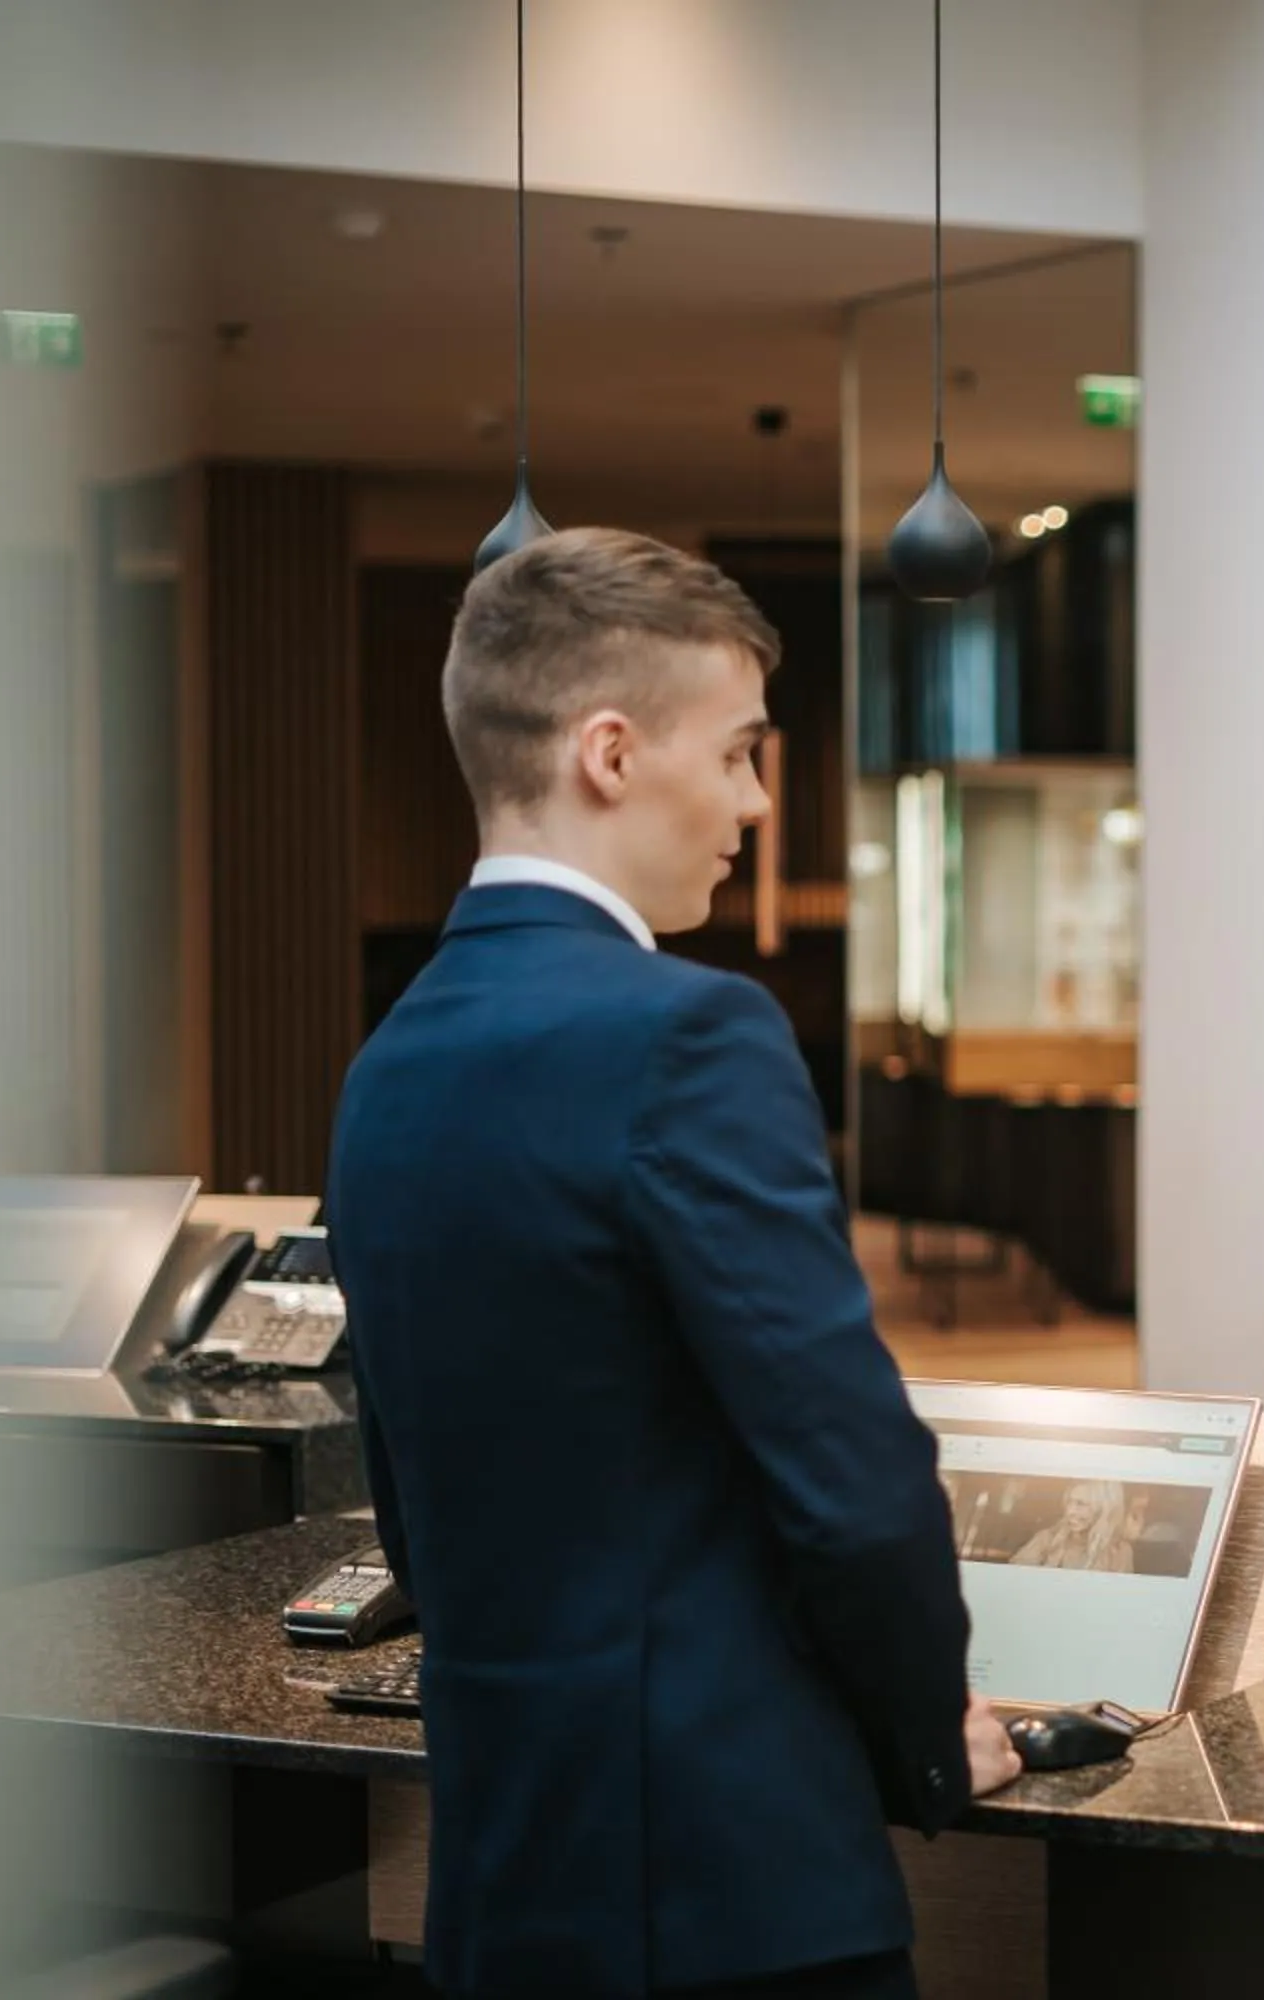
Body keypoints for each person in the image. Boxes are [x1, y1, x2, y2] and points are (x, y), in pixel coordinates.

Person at [326, 529, 1019, 2000]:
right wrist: (928, 1728)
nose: (760, 804)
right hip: (734, 1887)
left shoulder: (386, 1064)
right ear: (612, 752)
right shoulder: (690, 1035)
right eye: (745, 752)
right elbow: (847, 1470)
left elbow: (406, 1497)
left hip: (510, 1882)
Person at [1010, 1479, 1135, 1572]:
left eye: (1081, 1504)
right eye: (1069, 1502)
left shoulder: (1119, 1551)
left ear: (1104, 1510)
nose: (1070, 1511)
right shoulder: (1046, 1539)